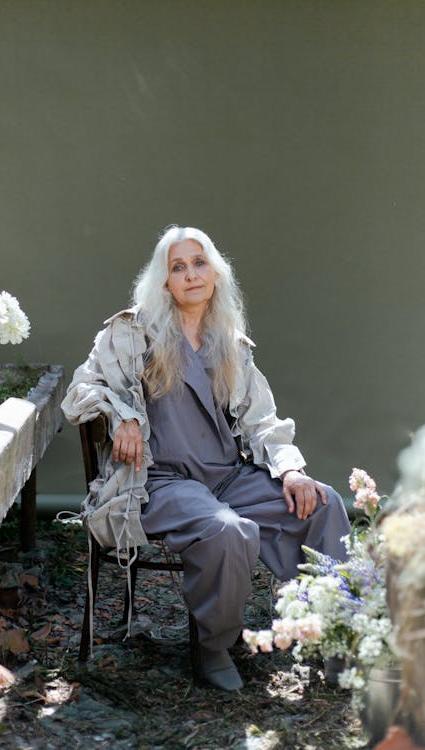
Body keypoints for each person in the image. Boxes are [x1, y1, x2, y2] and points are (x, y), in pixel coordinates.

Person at [61, 225, 350, 691]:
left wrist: (292, 469)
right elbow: (81, 391)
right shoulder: (131, 333)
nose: (191, 274)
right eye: (178, 267)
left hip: (226, 476)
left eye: (199, 263)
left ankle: (333, 632)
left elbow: (262, 421)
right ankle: (214, 645)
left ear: (215, 272)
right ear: (164, 281)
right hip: (162, 481)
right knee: (227, 530)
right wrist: (124, 415)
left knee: (322, 502)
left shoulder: (228, 342)